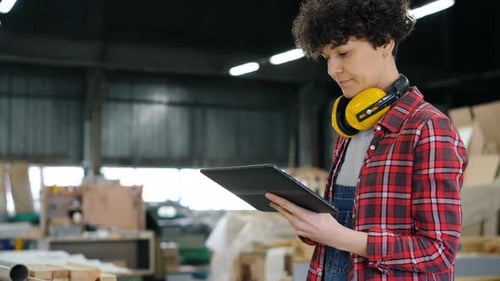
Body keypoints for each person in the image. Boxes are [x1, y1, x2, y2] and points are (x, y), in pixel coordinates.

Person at [265, 0, 468, 280]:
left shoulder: (429, 129)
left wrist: (339, 236)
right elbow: (340, 226)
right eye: (327, 57)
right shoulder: (351, 130)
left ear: (384, 42)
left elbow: (438, 252)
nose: (332, 69)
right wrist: (310, 223)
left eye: (343, 53)